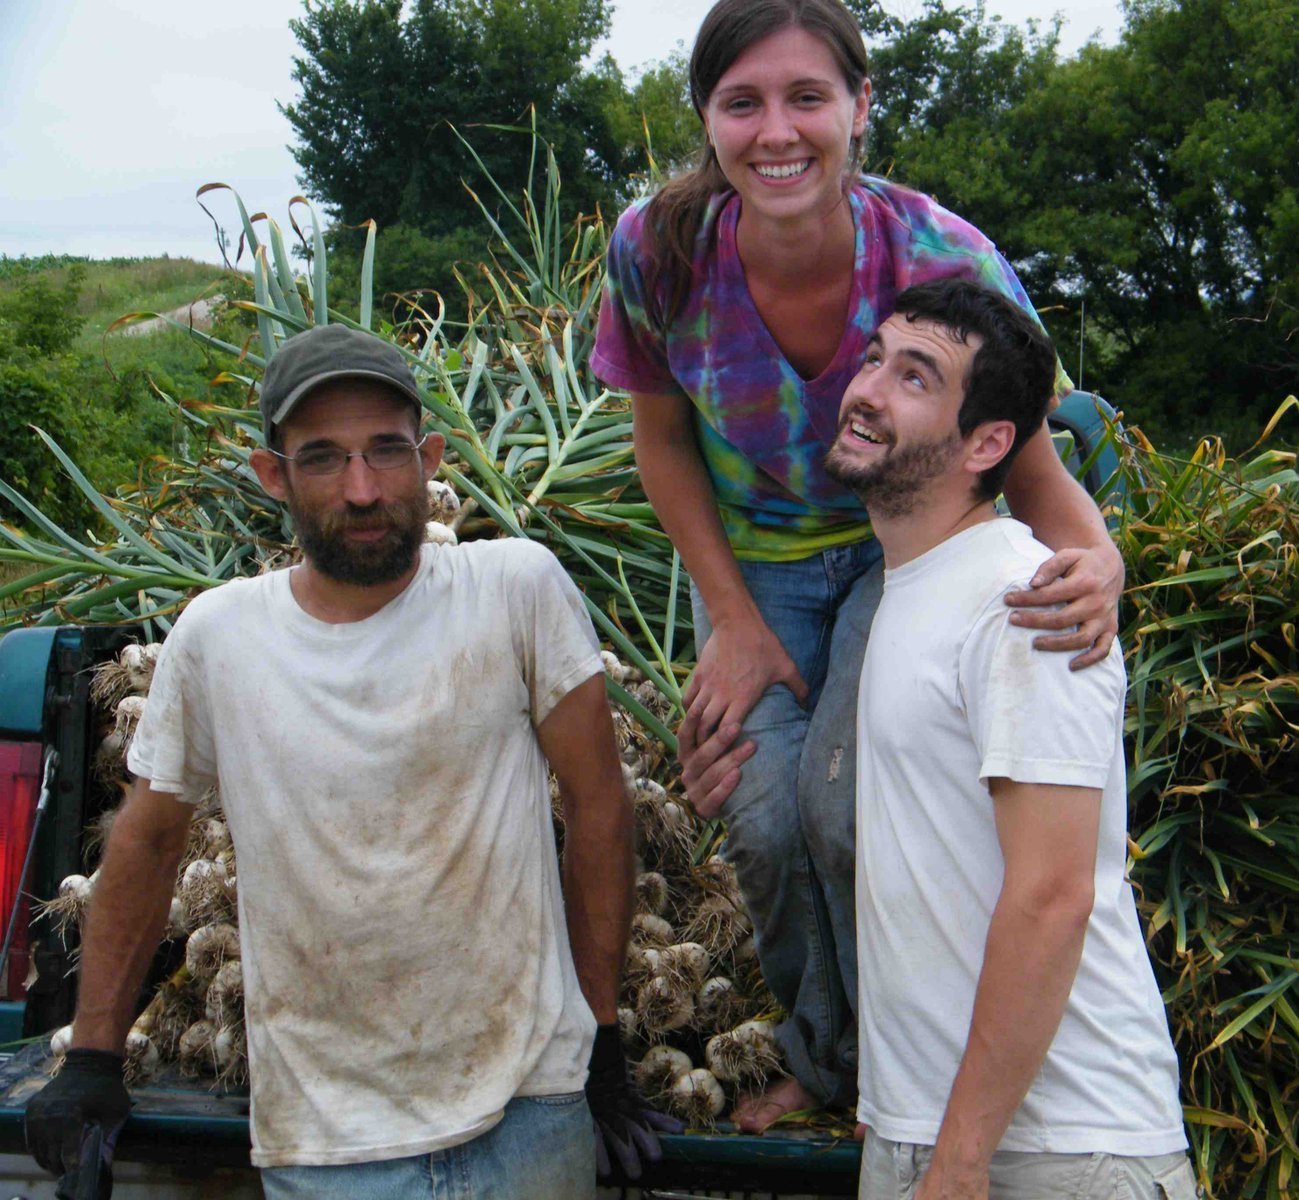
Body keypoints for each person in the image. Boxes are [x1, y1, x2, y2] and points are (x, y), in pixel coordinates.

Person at [589, 0, 1126, 1129]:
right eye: (742, 103)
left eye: (806, 98)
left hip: (908, 553)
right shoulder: (659, 250)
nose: (775, 132)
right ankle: (824, 1060)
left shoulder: (941, 256)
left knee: (847, 813)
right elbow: (661, 436)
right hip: (754, 575)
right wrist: (731, 620)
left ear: (859, 107)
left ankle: (904, 1068)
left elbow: (1019, 454)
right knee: (763, 817)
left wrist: (1096, 559)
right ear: (707, 118)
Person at [23, 324, 675, 1198]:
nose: (363, 490)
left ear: (430, 457)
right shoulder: (220, 635)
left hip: (528, 1116)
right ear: (273, 475)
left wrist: (600, 1043)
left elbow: (600, 804)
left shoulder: (516, 590)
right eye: (324, 459)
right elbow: (146, 842)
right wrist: (96, 1054)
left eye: (387, 453)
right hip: (327, 1142)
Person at [825, 278, 1195, 1200]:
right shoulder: (916, 590)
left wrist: (958, 1160)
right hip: (943, 1133)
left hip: (1058, 1150)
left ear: (989, 443)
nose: (868, 388)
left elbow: (1053, 895)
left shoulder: (1024, 601)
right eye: (874, 358)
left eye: (916, 378)